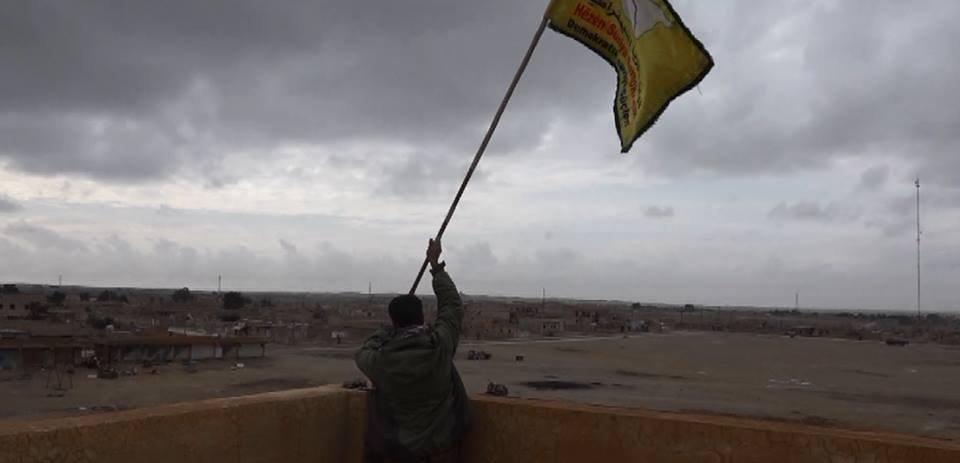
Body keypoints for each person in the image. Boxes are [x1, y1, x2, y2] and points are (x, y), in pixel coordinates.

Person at [356, 239, 470, 463]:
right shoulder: (440, 348)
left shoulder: (380, 362)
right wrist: (436, 267)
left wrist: (387, 333)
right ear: (421, 317)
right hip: (440, 450)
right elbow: (452, 307)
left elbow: (363, 351)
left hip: (398, 453)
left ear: (395, 322)